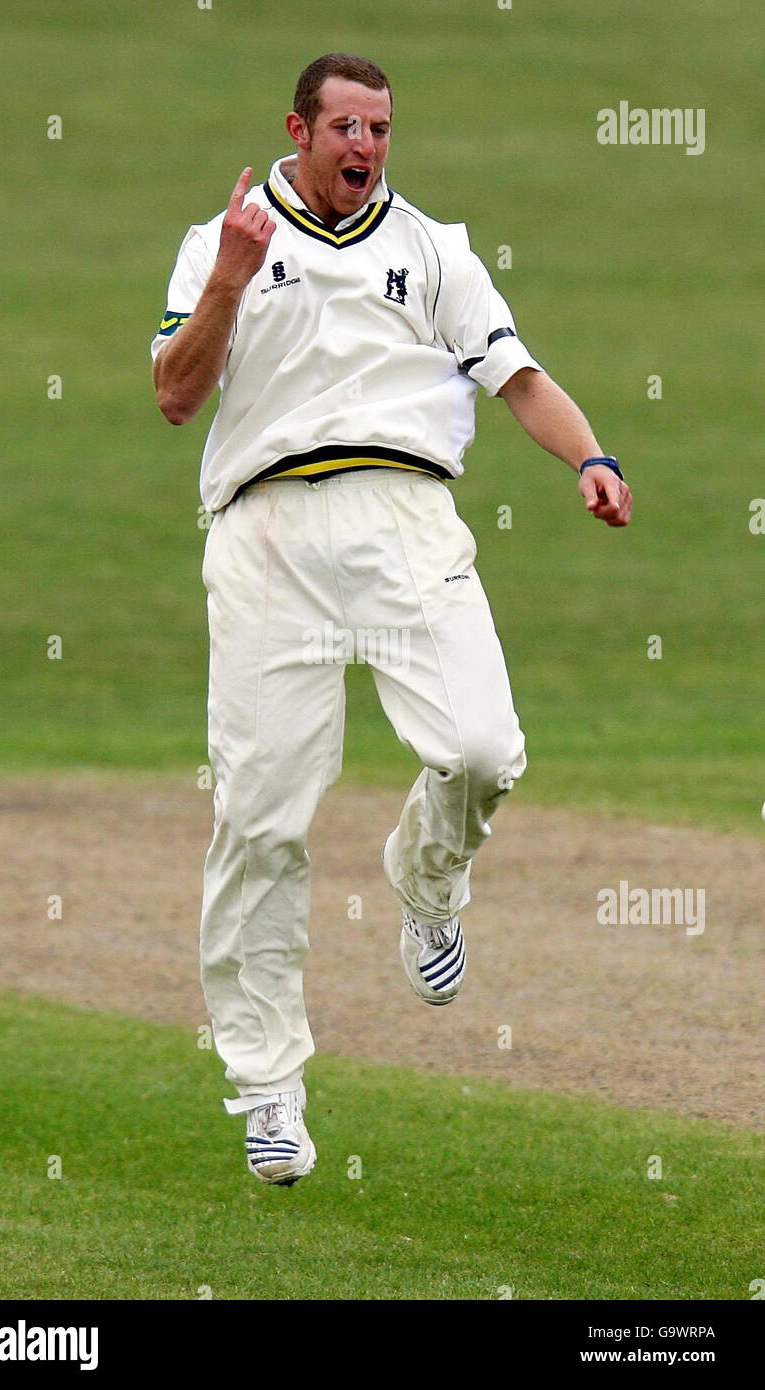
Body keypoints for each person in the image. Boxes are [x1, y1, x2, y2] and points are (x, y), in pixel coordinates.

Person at [151, 52, 632, 1187]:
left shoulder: (432, 248)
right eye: (346, 128)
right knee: (260, 821)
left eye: (380, 128)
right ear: (298, 129)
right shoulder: (221, 239)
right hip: (264, 534)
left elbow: (517, 377)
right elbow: (175, 395)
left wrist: (592, 456)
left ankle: (424, 880)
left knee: (478, 749)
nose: (365, 147)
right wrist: (228, 275)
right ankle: (268, 1084)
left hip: (404, 517)